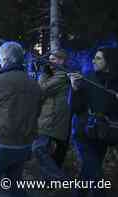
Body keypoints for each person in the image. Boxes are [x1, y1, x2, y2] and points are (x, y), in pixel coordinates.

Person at [0, 42, 42, 197]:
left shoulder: (3, 80)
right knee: (15, 185)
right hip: (24, 144)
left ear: (6, 59)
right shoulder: (33, 82)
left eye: (0, 59)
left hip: (3, 143)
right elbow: (36, 111)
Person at [69, 47, 118, 197]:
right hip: (84, 131)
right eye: (94, 57)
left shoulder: (115, 83)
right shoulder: (88, 78)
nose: (93, 60)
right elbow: (75, 108)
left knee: (88, 169)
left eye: (98, 58)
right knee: (94, 171)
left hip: (104, 134)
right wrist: (75, 89)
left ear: (108, 61)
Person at [32, 49, 71, 180]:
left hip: (53, 118)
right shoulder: (55, 74)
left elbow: (41, 90)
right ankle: (50, 180)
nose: (50, 62)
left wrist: (42, 73)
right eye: (50, 59)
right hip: (48, 116)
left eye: (53, 59)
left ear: (61, 61)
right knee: (45, 151)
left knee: (38, 149)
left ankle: (59, 178)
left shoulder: (62, 75)